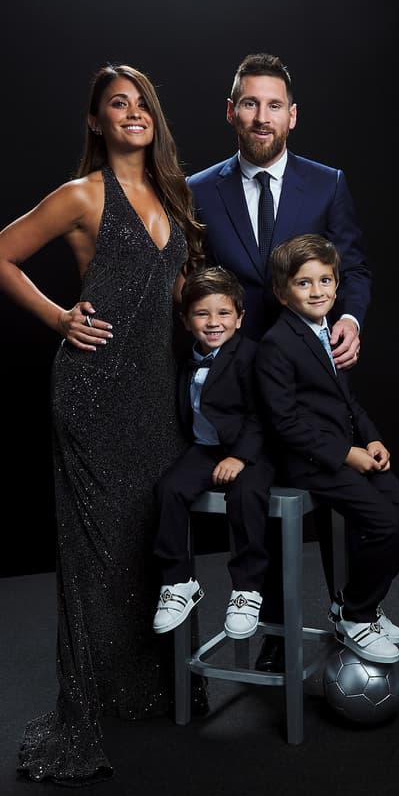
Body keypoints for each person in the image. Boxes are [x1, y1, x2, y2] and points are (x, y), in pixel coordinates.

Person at [0, 63, 206, 785]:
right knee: (91, 552)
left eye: (142, 104)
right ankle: (83, 704)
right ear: (96, 121)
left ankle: (141, 684)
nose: (133, 113)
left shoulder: (174, 192)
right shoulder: (83, 195)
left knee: (150, 536)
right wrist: (59, 317)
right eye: (118, 104)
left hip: (154, 393)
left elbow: (177, 301)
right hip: (92, 391)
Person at [188, 53, 399, 680]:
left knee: (349, 505)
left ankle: (355, 614)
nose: (261, 116)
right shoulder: (199, 190)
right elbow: (192, 286)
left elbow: (357, 270)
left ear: (292, 116)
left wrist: (349, 320)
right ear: (231, 112)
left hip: (315, 375)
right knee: (266, 497)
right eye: (249, 103)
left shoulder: (328, 183)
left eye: (273, 105)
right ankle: (276, 635)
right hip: (244, 386)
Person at [255, 233, 399, 664]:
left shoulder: (324, 331)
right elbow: (284, 423)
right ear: (281, 292)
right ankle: (356, 615)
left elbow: (346, 401)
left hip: (347, 447)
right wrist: (346, 454)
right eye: (304, 283)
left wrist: (371, 437)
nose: (318, 291)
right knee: (384, 523)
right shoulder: (278, 343)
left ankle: (354, 603)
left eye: (326, 281)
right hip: (309, 462)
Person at [151, 267, 274, 639]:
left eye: (223, 313)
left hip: (252, 450)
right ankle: (178, 581)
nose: (213, 322)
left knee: (246, 494)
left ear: (240, 318)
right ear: (187, 320)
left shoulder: (252, 355)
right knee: (168, 490)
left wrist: (240, 457)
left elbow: (262, 415)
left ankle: (247, 589)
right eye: (202, 314)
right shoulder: (185, 358)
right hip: (207, 448)